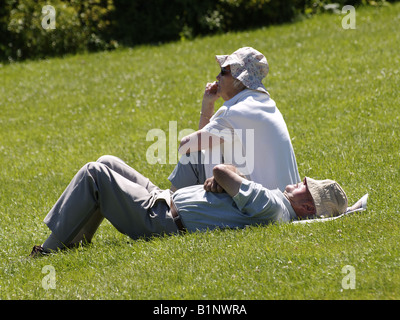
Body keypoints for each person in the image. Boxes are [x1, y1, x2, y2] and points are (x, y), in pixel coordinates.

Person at [30, 155, 348, 257]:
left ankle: (49, 250)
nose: (299, 182)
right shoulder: (277, 206)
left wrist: (226, 176)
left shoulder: (273, 205)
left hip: (161, 218)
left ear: (307, 208)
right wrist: (223, 182)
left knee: (95, 173)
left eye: (306, 187)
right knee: (107, 162)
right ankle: (78, 238)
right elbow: (222, 180)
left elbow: (223, 171)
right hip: (165, 202)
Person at [168, 46, 300, 193]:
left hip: (258, 202)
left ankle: (166, 209)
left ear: (240, 78)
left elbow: (187, 146)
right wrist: (209, 103)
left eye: (224, 71)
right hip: (283, 199)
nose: (218, 76)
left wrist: (206, 108)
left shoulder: (236, 111)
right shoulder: (264, 104)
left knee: (192, 156)